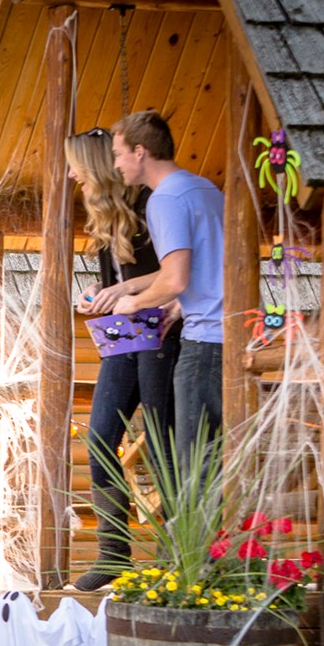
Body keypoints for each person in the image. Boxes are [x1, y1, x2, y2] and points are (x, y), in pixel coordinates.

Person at [65, 127, 179, 590]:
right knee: (99, 439)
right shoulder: (103, 221)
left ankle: (178, 554)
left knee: (163, 441)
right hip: (124, 338)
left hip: (164, 332)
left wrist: (124, 289)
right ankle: (114, 556)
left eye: (76, 164)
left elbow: (172, 272)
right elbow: (114, 282)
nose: (72, 174)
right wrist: (97, 292)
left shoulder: (151, 209)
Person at [105, 109, 227, 477]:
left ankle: (195, 538)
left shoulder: (165, 199)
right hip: (234, 336)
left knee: (194, 469)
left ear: (139, 152)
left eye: (117, 155)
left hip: (204, 342)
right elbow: (211, 264)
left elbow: (175, 278)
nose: (116, 165)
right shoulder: (205, 188)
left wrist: (134, 302)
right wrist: (175, 305)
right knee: (220, 461)